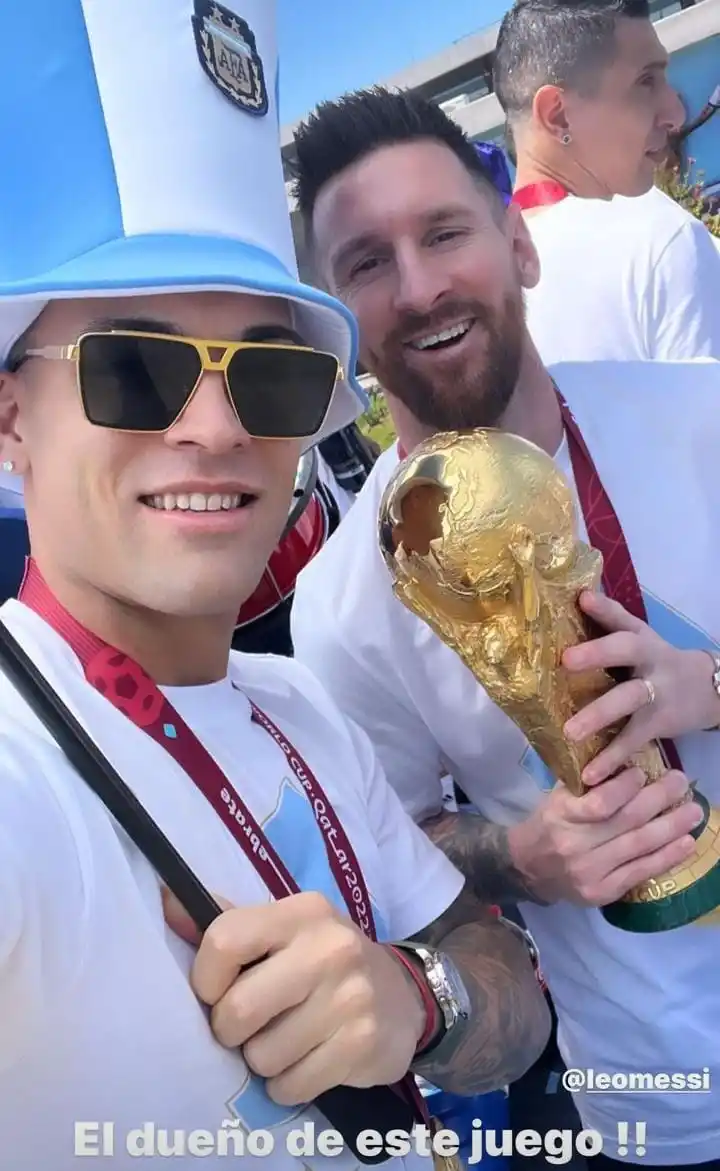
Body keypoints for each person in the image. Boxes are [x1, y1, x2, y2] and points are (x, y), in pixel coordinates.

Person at [0, 6, 552, 1168]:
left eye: (273, 376)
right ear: (13, 422)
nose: (213, 427)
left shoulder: (300, 707)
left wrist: (422, 999)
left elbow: (509, 990)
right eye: (133, 365)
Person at [288, 84, 720, 1169]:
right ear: (337, 317)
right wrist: (522, 857)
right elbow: (409, 838)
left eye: (443, 233)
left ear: (519, 246)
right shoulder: (344, 603)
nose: (421, 284)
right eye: (366, 262)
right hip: (662, 1102)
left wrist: (709, 684)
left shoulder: (700, 416)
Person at [492, 0, 720, 363]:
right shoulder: (658, 237)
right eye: (646, 81)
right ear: (559, 116)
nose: (675, 114)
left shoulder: (480, 284)